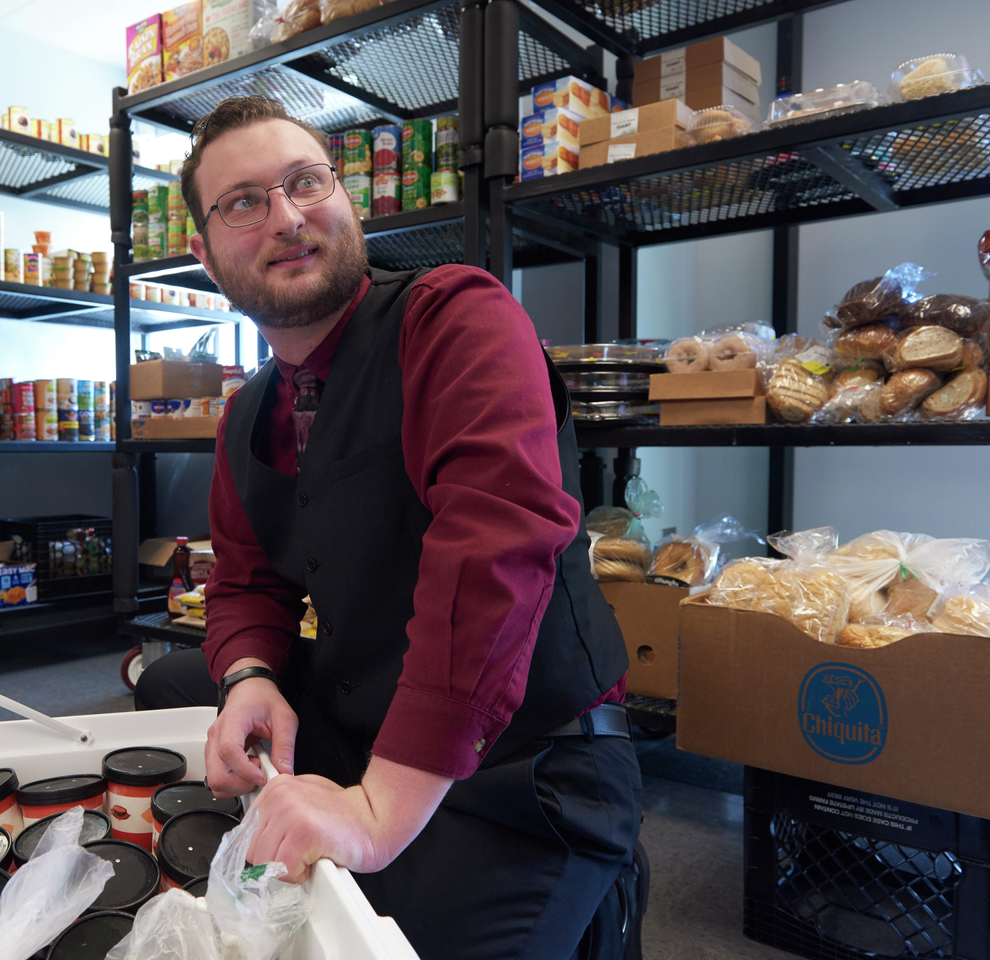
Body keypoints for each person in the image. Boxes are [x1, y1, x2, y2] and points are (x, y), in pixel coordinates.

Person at [134, 95, 642, 960]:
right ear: (205, 253)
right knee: (169, 683)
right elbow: (248, 577)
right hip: (363, 717)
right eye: (245, 202)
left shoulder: (456, 320)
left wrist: (377, 812)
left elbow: (496, 548)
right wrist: (249, 675)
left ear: (347, 197)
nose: (289, 217)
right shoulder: (250, 412)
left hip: (527, 762)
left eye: (306, 182)